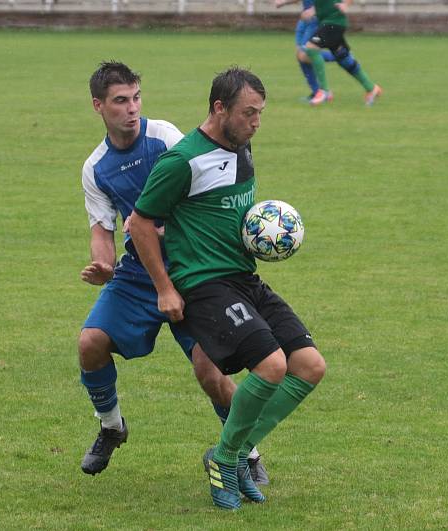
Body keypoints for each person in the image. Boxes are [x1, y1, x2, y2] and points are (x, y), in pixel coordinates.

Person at [129, 68, 326, 510]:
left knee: (309, 366)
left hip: (244, 277)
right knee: (272, 366)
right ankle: (229, 458)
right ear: (219, 108)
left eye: (260, 113)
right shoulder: (181, 162)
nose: (256, 122)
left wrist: (261, 228)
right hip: (203, 284)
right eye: (248, 113)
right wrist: (165, 288)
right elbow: (140, 223)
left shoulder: (242, 147)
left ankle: (229, 454)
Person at [77, 61, 268, 484]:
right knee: (90, 342)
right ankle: (111, 426)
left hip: (190, 267)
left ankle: (247, 454)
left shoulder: (164, 137)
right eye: (120, 101)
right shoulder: (95, 167)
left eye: (136, 98)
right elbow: (101, 229)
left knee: (210, 371)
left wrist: (156, 225)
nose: (132, 109)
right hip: (138, 274)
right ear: (98, 106)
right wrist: (103, 264)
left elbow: (200, 188)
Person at [300, 0, 383, 106]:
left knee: (311, 48)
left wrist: (346, 4)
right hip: (330, 22)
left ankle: (324, 91)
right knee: (343, 58)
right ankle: (371, 88)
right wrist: (313, 10)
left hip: (333, 22)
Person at [275, 0, 337, 102]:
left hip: (315, 19)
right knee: (300, 55)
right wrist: (283, 2)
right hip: (305, 20)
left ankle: (340, 56)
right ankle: (317, 92)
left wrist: (314, 10)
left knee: (305, 54)